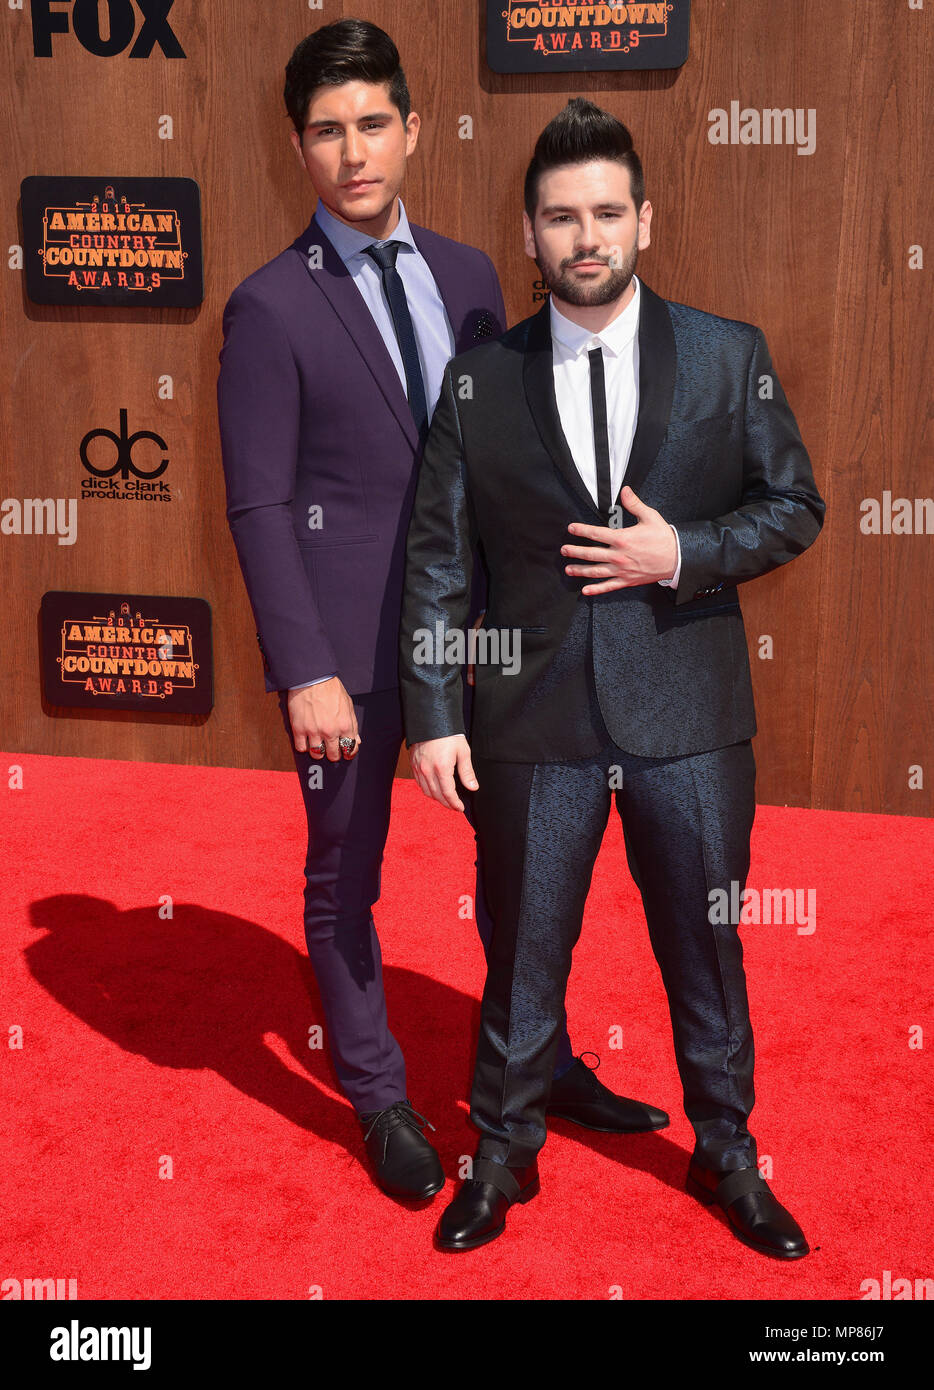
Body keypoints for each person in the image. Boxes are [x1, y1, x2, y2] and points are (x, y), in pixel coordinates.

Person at [217, 27, 664, 1206]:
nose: (352, 152)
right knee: (342, 877)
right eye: (325, 130)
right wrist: (302, 669)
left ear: (413, 129)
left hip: (491, 634)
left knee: (525, 867)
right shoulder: (267, 308)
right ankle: (375, 1096)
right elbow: (261, 506)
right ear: (298, 148)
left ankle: (541, 1059)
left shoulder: (471, 274)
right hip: (350, 648)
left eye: (372, 123)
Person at [400, 98, 825, 1254]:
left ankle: (729, 1151)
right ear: (529, 234)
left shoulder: (728, 355)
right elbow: (440, 558)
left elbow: (795, 507)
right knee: (522, 950)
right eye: (557, 217)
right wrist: (436, 712)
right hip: (530, 720)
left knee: (706, 945)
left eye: (603, 212)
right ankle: (503, 1152)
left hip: (688, 714)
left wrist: (679, 552)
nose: (583, 237)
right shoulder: (479, 381)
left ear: (645, 216)